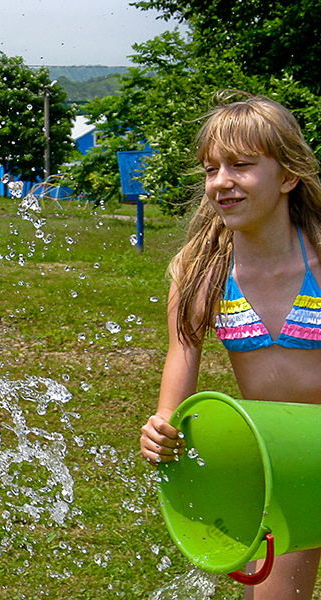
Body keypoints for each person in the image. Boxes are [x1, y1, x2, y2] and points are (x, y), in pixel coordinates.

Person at [140, 91, 321, 600]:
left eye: (241, 165)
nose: (222, 181)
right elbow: (182, 356)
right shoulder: (203, 271)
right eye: (211, 168)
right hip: (278, 468)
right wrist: (163, 424)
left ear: (288, 176)